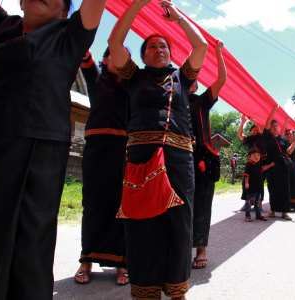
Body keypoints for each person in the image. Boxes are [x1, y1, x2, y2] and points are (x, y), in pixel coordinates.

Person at [0, 0, 106, 298]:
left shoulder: (70, 34)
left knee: (30, 246)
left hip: (40, 147)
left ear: (64, 11)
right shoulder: (2, 27)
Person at [108, 0, 207, 299]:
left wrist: (176, 17)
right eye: (152, 46)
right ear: (142, 55)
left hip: (179, 158)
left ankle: (177, 290)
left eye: (164, 45)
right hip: (140, 157)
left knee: (179, 224)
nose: (159, 49)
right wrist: (138, 6)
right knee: (142, 223)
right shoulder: (133, 76)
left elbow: (200, 46)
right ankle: (145, 290)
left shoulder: (182, 77)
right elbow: (114, 41)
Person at [74, 48, 129, 285]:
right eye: (114, 55)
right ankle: (86, 260)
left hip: (124, 150)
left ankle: (121, 264)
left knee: (121, 205)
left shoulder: (132, 85)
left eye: (123, 56)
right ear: (105, 60)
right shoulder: (95, 76)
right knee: (93, 204)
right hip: (96, 149)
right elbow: (82, 47)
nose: (118, 59)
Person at [190, 39, 226, 270]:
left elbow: (221, 79)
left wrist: (217, 52)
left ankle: (201, 250)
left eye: (194, 77)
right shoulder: (169, 101)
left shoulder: (201, 102)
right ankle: (178, 249)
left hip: (201, 162)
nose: (192, 80)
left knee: (202, 205)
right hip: (176, 160)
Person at [263, 106, 295, 221]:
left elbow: (287, 151)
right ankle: (273, 210)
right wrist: (273, 110)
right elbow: (267, 122)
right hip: (272, 166)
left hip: (283, 167)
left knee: (285, 188)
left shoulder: (282, 138)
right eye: (272, 126)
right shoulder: (267, 137)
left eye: (276, 125)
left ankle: (284, 212)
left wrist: (294, 142)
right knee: (272, 188)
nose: (274, 127)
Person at [238, 116, 266, 210]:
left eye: (256, 130)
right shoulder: (249, 138)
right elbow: (240, 135)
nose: (255, 131)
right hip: (250, 162)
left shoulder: (262, 137)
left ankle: (259, 204)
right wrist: (242, 123)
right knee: (246, 181)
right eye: (253, 130)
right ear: (250, 132)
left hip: (261, 162)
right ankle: (247, 202)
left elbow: (262, 129)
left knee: (259, 182)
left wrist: (254, 119)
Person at [244, 147, 272, 222]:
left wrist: (271, 165)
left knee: (257, 202)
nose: (256, 157)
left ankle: (258, 215)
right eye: (254, 155)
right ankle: (248, 216)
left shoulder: (258, 164)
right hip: (251, 187)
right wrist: (246, 183)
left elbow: (263, 168)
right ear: (249, 156)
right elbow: (246, 175)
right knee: (249, 202)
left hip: (258, 187)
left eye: (258, 155)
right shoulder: (249, 164)